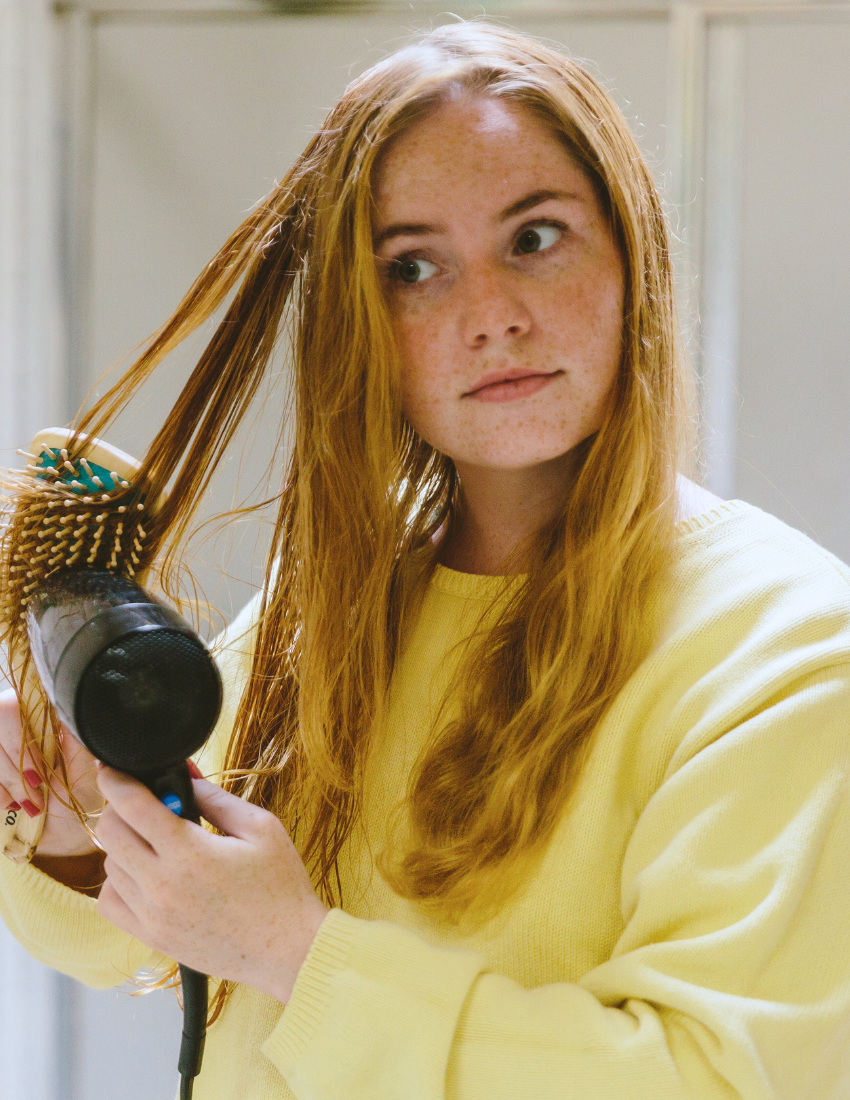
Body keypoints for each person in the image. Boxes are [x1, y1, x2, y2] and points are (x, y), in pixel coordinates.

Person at [1, 20, 849, 1100]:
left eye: (534, 237)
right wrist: (77, 821)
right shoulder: (336, 606)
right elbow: (142, 941)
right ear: (359, 325)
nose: (488, 316)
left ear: (631, 255)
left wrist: (299, 957)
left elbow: (717, 1080)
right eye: (412, 267)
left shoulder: (788, 650)